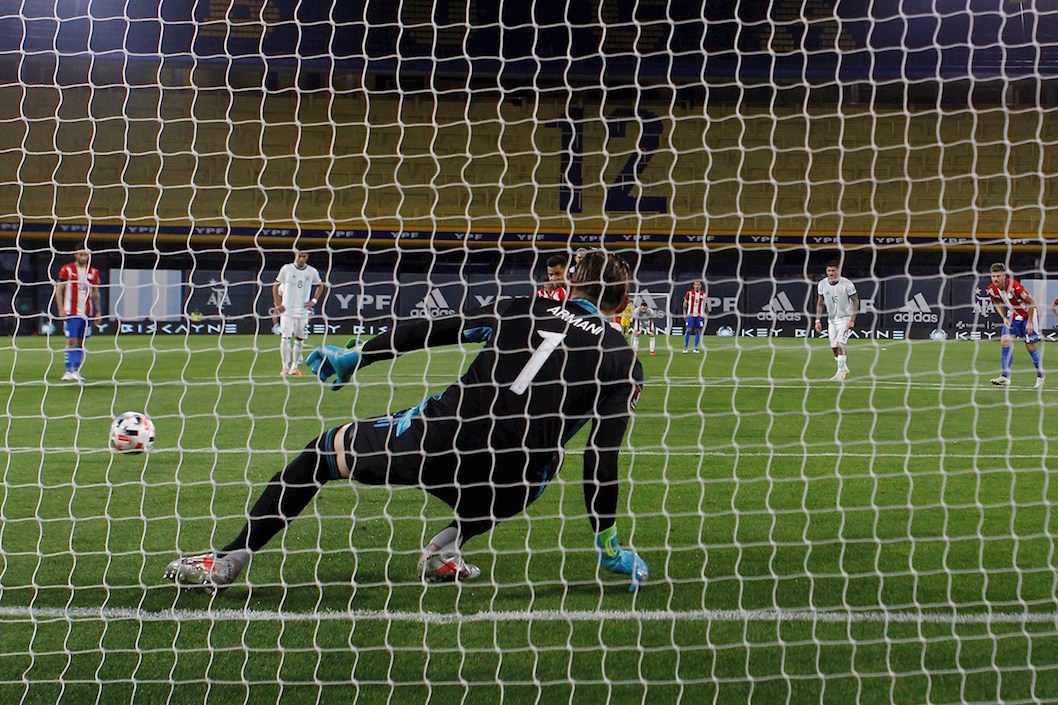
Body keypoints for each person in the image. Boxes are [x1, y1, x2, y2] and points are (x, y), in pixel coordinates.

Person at [165, 250, 649, 592]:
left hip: (439, 441)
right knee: (543, 465)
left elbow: (433, 329)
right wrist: (608, 542)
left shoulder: (524, 306)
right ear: (623, 306)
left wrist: (359, 357)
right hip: (510, 482)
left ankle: (230, 557)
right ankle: (446, 548)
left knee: (321, 455)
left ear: (570, 288)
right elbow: (601, 458)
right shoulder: (624, 360)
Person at [986, 263, 1043, 388]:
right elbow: (996, 302)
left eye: (998, 276)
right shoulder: (991, 289)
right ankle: (1005, 377)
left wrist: (1030, 322)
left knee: (1030, 346)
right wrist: (1004, 317)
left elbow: (1031, 302)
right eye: (993, 276)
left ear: (1004, 276)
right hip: (1014, 316)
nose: (995, 279)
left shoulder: (1015, 287)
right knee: (1005, 341)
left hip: (1029, 315)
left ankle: (1040, 375)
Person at [273, 250, 325, 376]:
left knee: (300, 339)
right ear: (295, 256)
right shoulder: (287, 269)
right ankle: (284, 368)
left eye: (304, 256)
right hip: (288, 311)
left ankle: (294, 367)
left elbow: (320, 285)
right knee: (285, 337)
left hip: (303, 311)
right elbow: (276, 286)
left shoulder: (312, 271)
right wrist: (278, 304)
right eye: (299, 256)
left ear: (307, 257)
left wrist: (313, 300)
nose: (301, 258)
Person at [54, 247, 102, 382]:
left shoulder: (93, 272)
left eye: (86, 254)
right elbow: (59, 289)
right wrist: (61, 308)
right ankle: (68, 370)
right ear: (75, 255)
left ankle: (76, 371)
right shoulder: (67, 269)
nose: (83, 257)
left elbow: (96, 293)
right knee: (71, 341)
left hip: (87, 312)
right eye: (81, 254)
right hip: (71, 311)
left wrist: (98, 311)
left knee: (81, 342)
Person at [814, 261, 859, 381]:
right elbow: (820, 302)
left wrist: (852, 320)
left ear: (838, 271)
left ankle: (840, 373)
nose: (831, 273)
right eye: (829, 271)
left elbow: (856, 301)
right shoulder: (822, 284)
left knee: (840, 343)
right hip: (832, 320)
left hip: (846, 318)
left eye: (833, 271)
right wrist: (817, 320)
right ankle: (843, 368)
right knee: (833, 346)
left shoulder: (847, 284)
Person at [682, 280, 706, 353]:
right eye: (696, 284)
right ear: (693, 285)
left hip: (699, 315)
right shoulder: (689, 293)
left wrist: (706, 314)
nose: (697, 286)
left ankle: (696, 348)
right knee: (688, 329)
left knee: (698, 330)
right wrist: (684, 313)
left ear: (701, 286)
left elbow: (706, 305)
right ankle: (686, 347)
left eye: (698, 285)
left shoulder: (704, 294)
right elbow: (685, 303)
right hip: (690, 314)